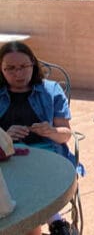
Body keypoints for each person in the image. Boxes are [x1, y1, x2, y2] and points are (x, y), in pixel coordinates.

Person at [0, 41, 75, 235]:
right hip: (8, 159)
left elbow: (65, 135)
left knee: (27, 187)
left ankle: (50, 221)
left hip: (47, 156)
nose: (18, 74)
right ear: (1, 69)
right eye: (10, 68)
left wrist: (51, 131)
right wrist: (5, 136)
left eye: (24, 67)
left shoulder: (50, 90)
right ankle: (56, 221)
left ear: (33, 64)